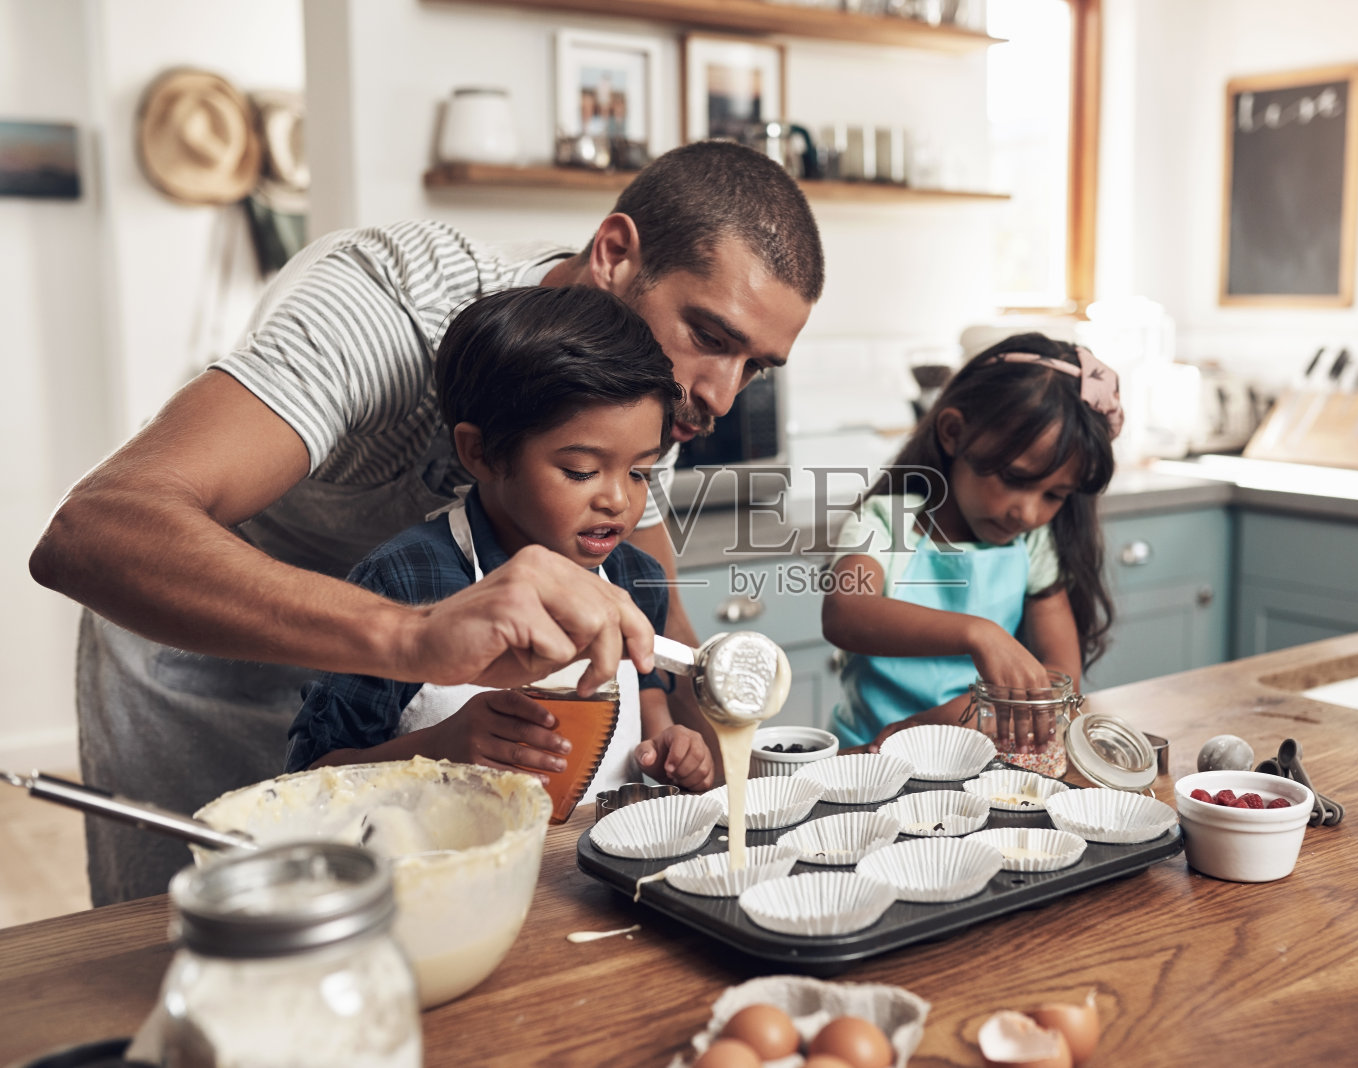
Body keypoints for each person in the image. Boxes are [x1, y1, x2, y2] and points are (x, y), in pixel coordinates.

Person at [29, 141, 822, 904]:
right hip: (203, 658)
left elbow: (644, 600)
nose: (721, 395)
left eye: (753, 366)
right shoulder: (386, 308)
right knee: (192, 947)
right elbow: (95, 530)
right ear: (615, 253)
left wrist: (706, 724)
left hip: (417, 693)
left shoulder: (644, 384)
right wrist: (414, 636)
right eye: (712, 338)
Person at [286, 285, 712, 795]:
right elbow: (306, 782)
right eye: (581, 471)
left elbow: (652, 723)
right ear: (481, 453)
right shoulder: (404, 579)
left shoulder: (636, 581)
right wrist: (441, 746)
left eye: (641, 472)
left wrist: (671, 751)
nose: (618, 500)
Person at [820, 333, 1122, 754]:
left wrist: (939, 724)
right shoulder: (885, 523)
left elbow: (1060, 676)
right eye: (1015, 479)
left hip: (979, 760)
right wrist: (980, 634)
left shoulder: (1033, 543)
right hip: (868, 756)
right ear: (953, 433)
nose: (1028, 514)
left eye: (1055, 495)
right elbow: (845, 613)